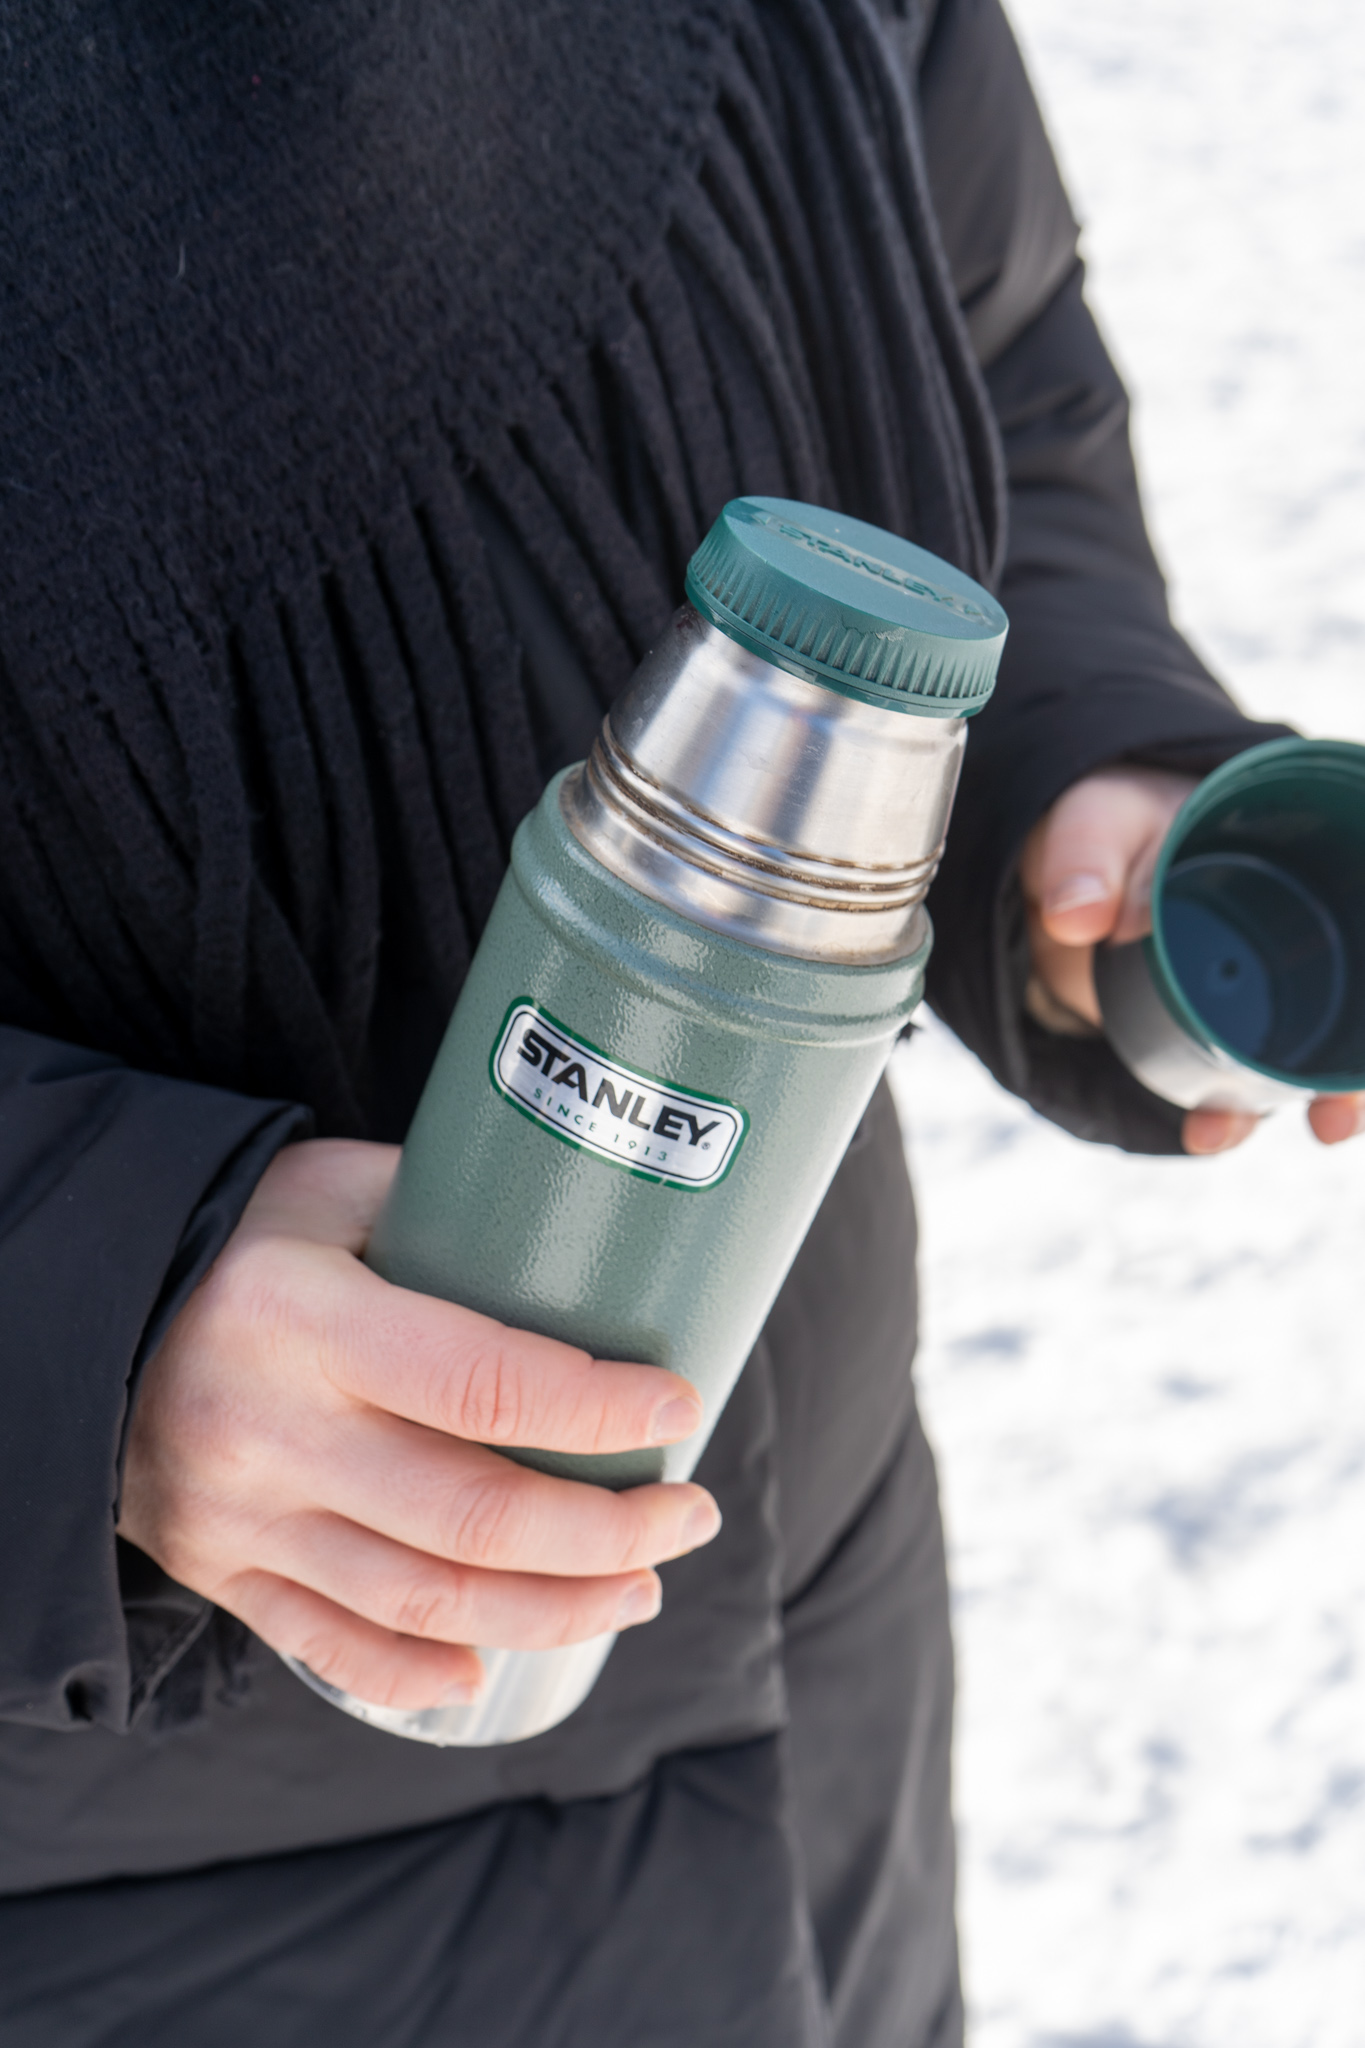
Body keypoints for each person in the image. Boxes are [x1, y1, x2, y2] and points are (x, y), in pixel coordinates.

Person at [0, 1, 1358, 2042]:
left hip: (808, 1671)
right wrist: (82, 1322)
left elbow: (969, 326)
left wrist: (1065, 759)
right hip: (158, 1868)